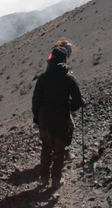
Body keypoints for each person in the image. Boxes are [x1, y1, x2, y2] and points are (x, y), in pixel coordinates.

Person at [32, 45, 85, 189]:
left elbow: (36, 99)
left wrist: (36, 116)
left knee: (46, 147)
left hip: (45, 117)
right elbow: (77, 100)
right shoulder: (69, 78)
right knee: (59, 149)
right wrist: (72, 107)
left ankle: (44, 178)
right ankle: (56, 179)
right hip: (62, 117)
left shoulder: (43, 78)